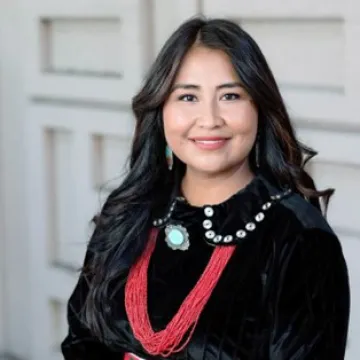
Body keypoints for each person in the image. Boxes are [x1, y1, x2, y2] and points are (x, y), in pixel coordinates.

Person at [61, 17, 350, 360]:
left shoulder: (299, 237)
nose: (210, 119)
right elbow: (81, 341)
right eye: (187, 97)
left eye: (230, 95)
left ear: (259, 107)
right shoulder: (129, 209)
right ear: (161, 109)